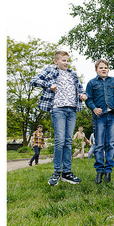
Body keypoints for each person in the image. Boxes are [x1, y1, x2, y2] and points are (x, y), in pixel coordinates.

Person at [30, 50, 83, 185]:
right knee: (60, 140)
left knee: (68, 141)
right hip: (58, 109)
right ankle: (56, 173)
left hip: (72, 110)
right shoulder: (50, 71)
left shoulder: (72, 74)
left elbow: (80, 89)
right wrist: (49, 85)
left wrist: (83, 95)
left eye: (67, 60)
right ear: (56, 61)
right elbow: (33, 80)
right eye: (63, 60)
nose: (66, 63)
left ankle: (67, 173)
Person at [84, 60, 114, 185]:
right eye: (101, 68)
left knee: (110, 144)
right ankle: (99, 171)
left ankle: (108, 170)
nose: (103, 69)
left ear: (108, 69)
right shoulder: (91, 83)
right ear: (96, 70)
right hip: (99, 117)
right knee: (99, 145)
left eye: (105, 67)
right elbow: (88, 99)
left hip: (112, 116)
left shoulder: (113, 81)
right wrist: (94, 108)